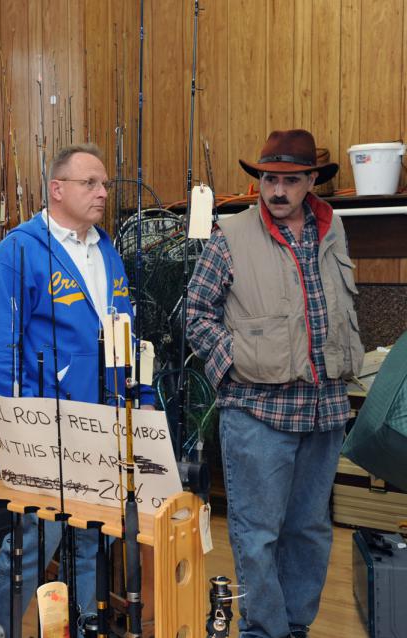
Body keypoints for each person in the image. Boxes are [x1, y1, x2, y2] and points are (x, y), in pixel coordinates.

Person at [186, 129, 364, 638]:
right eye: (269, 179)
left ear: (312, 181)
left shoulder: (334, 230)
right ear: (258, 182)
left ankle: (296, 627)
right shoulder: (231, 235)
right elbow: (197, 313)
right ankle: (263, 631)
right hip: (257, 413)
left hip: (324, 409)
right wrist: (234, 362)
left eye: (290, 179)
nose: (278, 190)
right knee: (257, 534)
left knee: (308, 531)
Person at [0, 143, 155, 633]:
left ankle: (84, 627)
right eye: (90, 184)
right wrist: (19, 431)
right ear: (57, 189)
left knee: (92, 544)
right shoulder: (16, 252)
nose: (103, 193)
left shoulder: (107, 253)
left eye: (104, 185)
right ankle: (4, 629)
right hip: (45, 434)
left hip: (105, 428)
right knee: (33, 546)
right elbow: (2, 353)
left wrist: (137, 404)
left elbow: (125, 334)